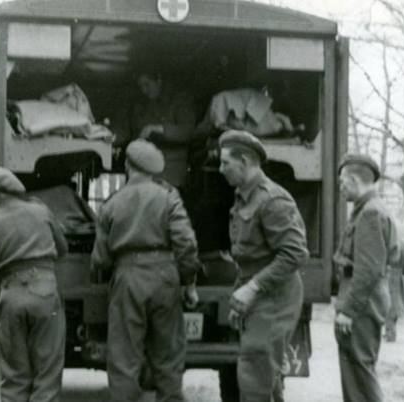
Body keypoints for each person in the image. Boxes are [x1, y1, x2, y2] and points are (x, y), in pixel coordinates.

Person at [91, 139, 201, 402]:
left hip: (127, 277)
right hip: (165, 275)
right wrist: (189, 283)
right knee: (168, 355)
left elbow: (100, 259)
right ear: (153, 170)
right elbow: (186, 243)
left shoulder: (112, 203)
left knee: (124, 358)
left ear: (128, 166)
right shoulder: (168, 198)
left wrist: (107, 276)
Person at [218, 130, 308, 402]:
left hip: (275, 299)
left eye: (226, 163)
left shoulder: (272, 199)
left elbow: (294, 255)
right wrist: (240, 297)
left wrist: (252, 288)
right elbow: (247, 258)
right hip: (260, 298)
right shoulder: (244, 196)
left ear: (244, 161)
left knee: (255, 379)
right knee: (265, 378)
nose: (221, 169)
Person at [0, 164, 68, 402]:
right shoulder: (41, 212)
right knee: (47, 374)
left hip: (10, 296)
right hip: (45, 293)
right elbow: (62, 249)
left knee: (13, 378)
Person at [334, 154, 399, 402]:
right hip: (364, 302)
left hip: (362, 305)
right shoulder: (369, 209)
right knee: (356, 377)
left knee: (360, 376)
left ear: (352, 179)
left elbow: (369, 269)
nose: (340, 187)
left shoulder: (370, 213)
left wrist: (349, 311)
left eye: (342, 182)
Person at [129, 72, 198, 190]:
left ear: (159, 80)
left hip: (171, 172)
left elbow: (189, 132)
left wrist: (158, 129)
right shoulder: (143, 106)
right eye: (141, 87)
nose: (144, 91)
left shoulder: (180, 100)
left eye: (147, 84)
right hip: (148, 171)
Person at [385, 238, 404, 342]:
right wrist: (403, 272)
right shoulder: (403, 243)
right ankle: (390, 330)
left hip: (387, 274)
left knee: (389, 305)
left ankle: (390, 332)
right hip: (398, 275)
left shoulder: (387, 242)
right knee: (395, 304)